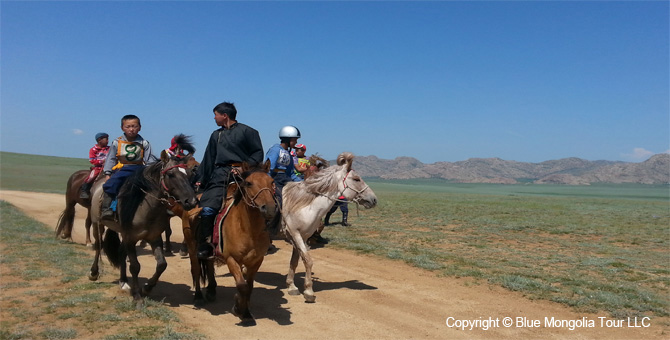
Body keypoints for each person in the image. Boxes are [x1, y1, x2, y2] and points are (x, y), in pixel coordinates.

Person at [195, 102, 264, 260]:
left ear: (224, 116)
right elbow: (209, 159)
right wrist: (200, 180)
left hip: (245, 174)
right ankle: (207, 244)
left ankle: (265, 238)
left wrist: (243, 168)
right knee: (207, 208)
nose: (214, 118)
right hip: (220, 174)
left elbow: (257, 154)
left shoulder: (249, 131)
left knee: (265, 200)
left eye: (216, 114)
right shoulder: (216, 135)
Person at [101, 114, 155, 219]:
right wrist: (108, 173)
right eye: (128, 126)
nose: (131, 129)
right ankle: (106, 208)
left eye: (134, 126)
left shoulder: (144, 143)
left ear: (139, 127)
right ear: (122, 128)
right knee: (111, 184)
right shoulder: (117, 142)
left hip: (140, 170)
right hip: (122, 169)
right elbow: (111, 158)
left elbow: (150, 160)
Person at [265, 125, 302, 206]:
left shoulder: (288, 153)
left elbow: (291, 173)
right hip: (276, 179)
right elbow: (269, 169)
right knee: (280, 201)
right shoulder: (275, 150)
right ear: (287, 139)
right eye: (295, 140)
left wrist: (302, 183)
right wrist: (269, 183)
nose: (296, 142)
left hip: (286, 178)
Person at [80, 132, 110, 199]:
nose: (108, 141)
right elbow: (92, 160)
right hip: (98, 168)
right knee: (91, 177)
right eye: (106, 139)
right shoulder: (93, 150)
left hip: (109, 167)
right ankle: (84, 190)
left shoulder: (110, 149)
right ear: (100, 140)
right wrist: (102, 161)